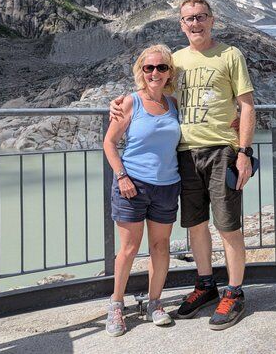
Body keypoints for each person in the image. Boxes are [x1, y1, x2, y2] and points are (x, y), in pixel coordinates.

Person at [111, 0, 256, 330]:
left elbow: (246, 106)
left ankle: (235, 292)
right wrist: (119, 103)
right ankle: (206, 284)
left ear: (211, 20)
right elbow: (153, 90)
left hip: (221, 149)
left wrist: (244, 152)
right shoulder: (174, 60)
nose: (195, 23)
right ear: (181, 24)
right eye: (189, 18)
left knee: (228, 224)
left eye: (201, 17)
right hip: (185, 154)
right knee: (195, 224)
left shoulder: (230, 55)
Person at [102, 44, 181, 337]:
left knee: (161, 248)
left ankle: (154, 302)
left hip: (167, 186)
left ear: (169, 72)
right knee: (129, 249)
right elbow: (109, 143)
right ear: (141, 71)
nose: (155, 73)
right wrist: (122, 176)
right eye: (149, 68)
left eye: (161, 67)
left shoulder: (173, 104)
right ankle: (116, 304)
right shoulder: (129, 103)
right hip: (132, 184)